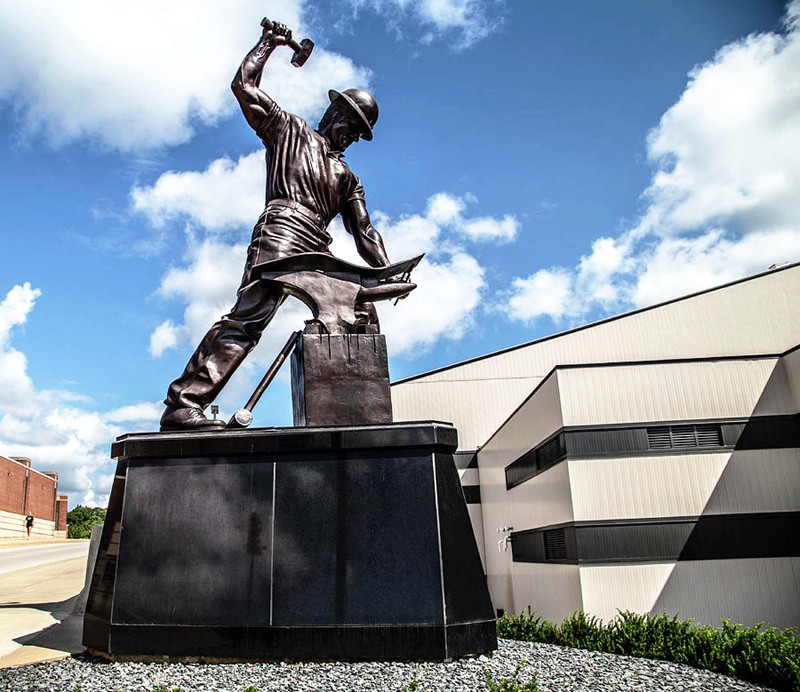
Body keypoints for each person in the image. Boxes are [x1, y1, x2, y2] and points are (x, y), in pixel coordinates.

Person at [160, 20, 391, 432]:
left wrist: (384, 273)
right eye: (349, 128)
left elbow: (364, 232)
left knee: (360, 311)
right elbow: (244, 88)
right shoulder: (291, 130)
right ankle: (184, 403)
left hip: (318, 250)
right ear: (333, 113)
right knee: (249, 319)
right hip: (282, 233)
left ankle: (352, 422)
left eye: (357, 135)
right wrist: (268, 43)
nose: (350, 139)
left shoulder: (347, 177)